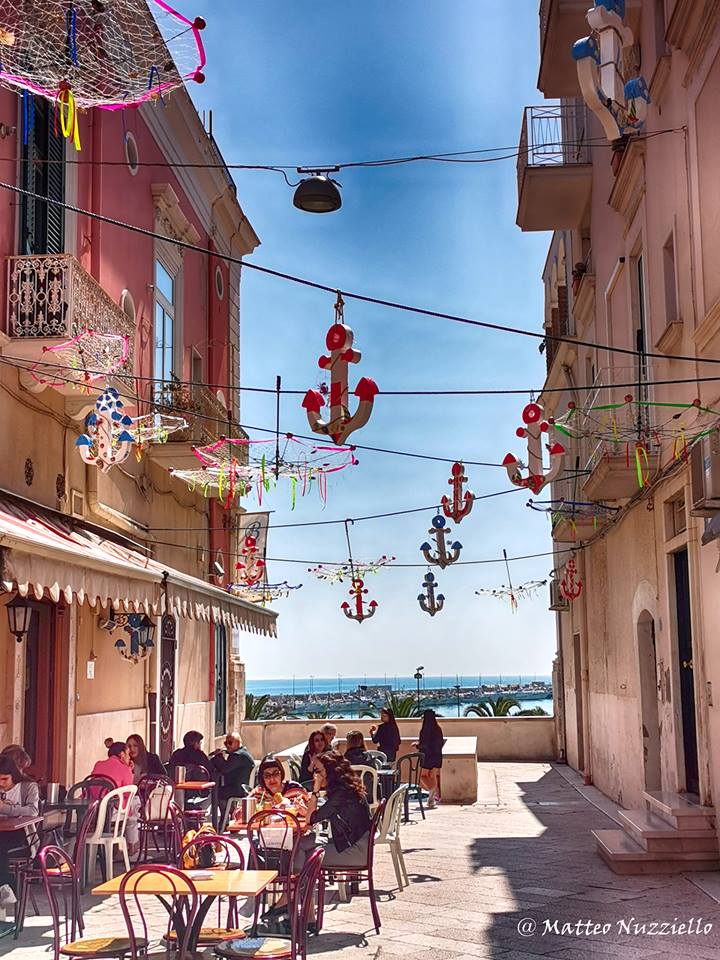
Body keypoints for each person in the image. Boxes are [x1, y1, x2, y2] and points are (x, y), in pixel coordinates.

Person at [306, 751, 371, 867]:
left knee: (305, 854)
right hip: (354, 842)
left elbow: (310, 819)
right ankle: (301, 878)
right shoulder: (345, 788)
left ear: (330, 771)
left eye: (318, 771)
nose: (315, 775)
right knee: (303, 843)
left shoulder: (341, 794)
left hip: (356, 851)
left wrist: (315, 790)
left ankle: (299, 879)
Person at [90, 742, 140, 856]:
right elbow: (128, 793)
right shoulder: (124, 768)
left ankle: (115, 849)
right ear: (122, 754)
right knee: (135, 803)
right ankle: (133, 847)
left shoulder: (98, 764)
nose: (129, 757)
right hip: (112, 812)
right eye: (128, 754)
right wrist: (129, 770)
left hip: (93, 810)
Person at [0, 756, 40, 889]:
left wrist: (4, 808)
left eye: (5, 779)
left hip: (22, 835)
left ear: (13, 775)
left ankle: (6, 888)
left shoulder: (28, 787)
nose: (1, 783)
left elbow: (33, 811)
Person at [209, 733, 255, 811]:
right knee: (221, 789)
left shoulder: (238, 755)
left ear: (238, 743)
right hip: (240, 786)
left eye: (230, 743)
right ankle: (228, 813)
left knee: (217, 792)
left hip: (240, 789)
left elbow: (224, 769)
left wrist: (219, 755)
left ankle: (224, 817)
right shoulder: (240, 753)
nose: (227, 745)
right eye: (225, 743)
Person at [415, 709, 445, 809]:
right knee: (433, 776)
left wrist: (417, 745)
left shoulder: (425, 730)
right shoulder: (438, 729)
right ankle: (432, 799)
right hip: (437, 756)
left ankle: (431, 791)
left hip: (427, 757)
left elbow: (424, 744)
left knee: (422, 776)